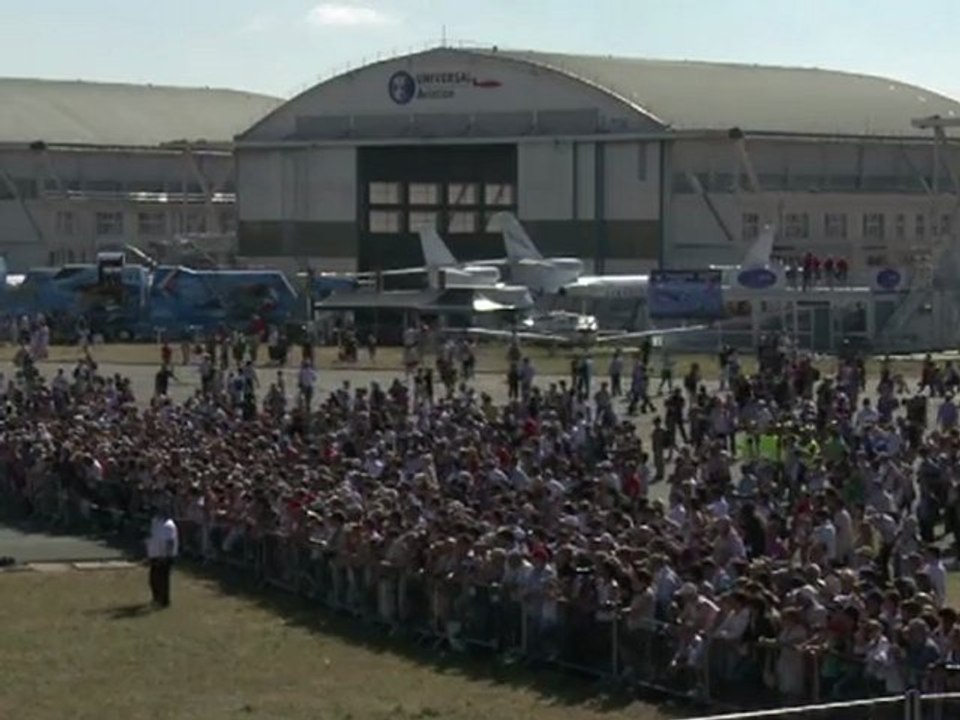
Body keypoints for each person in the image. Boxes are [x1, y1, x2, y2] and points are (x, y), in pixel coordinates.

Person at [147, 506, 178, 608]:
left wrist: (166, 556)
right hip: (155, 554)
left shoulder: (169, 526)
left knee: (163, 579)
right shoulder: (155, 521)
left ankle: (164, 601)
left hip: (165, 556)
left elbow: (170, 542)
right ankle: (156, 598)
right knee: (153, 578)